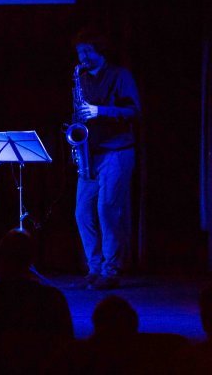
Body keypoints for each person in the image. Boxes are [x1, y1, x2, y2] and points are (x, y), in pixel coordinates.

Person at [72, 28, 142, 290]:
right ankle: (94, 267)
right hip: (90, 154)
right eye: (80, 51)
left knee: (107, 210)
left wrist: (99, 111)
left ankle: (110, 270)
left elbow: (134, 111)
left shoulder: (120, 75)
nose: (83, 56)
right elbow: (79, 116)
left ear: (100, 51)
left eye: (88, 50)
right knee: (82, 213)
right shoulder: (80, 78)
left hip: (117, 151)